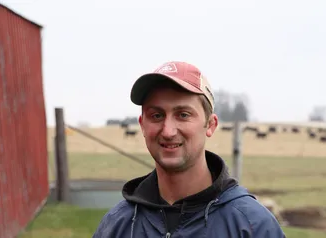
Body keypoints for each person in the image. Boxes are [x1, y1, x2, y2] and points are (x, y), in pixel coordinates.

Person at [92, 61, 285, 238]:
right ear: (142, 125)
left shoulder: (252, 226)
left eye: (183, 115)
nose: (168, 131)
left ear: (210, 125)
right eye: (157, 115)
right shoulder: (117, 225)